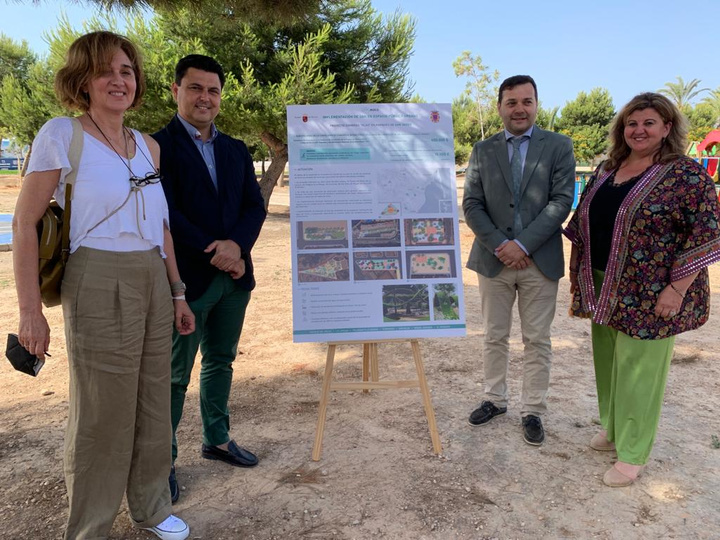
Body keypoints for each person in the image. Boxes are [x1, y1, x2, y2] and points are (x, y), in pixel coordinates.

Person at [12, 31, 194, 539]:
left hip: (153, 278)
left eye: (128, 71)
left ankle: (153, 507)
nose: (119, 80)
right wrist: (30, 310)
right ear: (83, 80)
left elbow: (161, 227)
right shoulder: (62, 134)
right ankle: (90, 526)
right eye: (106, 70)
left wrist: (177, 291)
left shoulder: (149, 147)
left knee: (154, 400)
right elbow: (24, 223)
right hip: (97, 276)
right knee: (101, 410)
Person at [565, 92, 720, 487]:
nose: (639, 130)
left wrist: (677, 289)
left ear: (667, 128)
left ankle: (632, 454)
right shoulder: (607, 168)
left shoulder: (685, 175)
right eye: (632, 123)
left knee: (640, 371)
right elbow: (584, 219)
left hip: (652, 291)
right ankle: (614, 428)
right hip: (604, 282)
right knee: (608, 361)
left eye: (649, 122)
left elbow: (706, 234)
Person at [152, 54, 267, 502]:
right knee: (175, 376)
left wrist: (237, 248)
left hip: (235, 279)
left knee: (221, 361)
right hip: (185, 283)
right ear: (176, 91)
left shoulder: (236, 149)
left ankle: (217, 439)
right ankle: (163, 461)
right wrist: (217, 251)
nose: (205, 97)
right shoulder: (156, 146)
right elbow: (167, 214)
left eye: (213, 90)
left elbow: (253, 208)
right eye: (195, 88)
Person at [462, 75, 576, 445]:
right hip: (494, 261)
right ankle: (495, 399)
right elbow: (472, 204)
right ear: (500, 107)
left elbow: (561, 201)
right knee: (494, 335)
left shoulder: (559, 146)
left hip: (538, 262)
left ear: (536, 105)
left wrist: (522, 245)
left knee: (537, 340)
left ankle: (533, 410)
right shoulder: (482, 149)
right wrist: (501, 245)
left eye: (526, 101)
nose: (519, 109)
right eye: (511, 102)